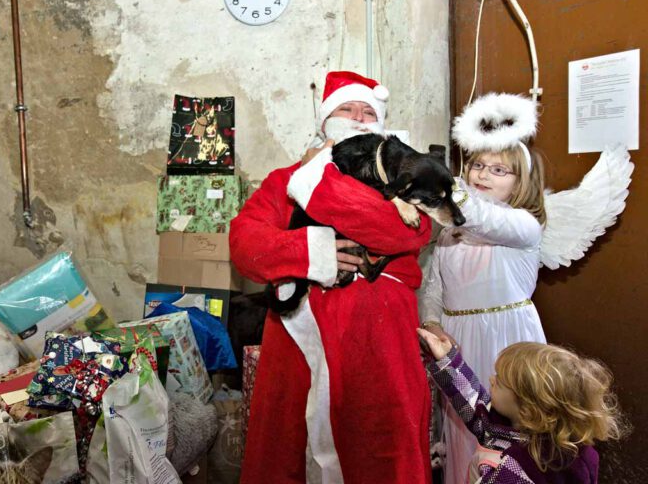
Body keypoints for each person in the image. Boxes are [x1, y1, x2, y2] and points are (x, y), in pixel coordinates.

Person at [230, 71, 434, 483]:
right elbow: (245, 244)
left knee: (378, 448)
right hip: (296, 341)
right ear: (324, 123)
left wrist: (316, 181)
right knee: (289, 449)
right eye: (347, 109)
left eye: (368, 112)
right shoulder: (282, 179)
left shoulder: (403, 183)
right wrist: (308, 251)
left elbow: (403, 232)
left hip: (378, 344)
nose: (359, 118)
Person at [418, 92, 548, 483]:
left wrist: (439, 186)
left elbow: (484, 219)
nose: (482, 176)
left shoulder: (525, 225)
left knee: (510, 428)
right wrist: (433, 321)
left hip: (509, 339)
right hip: (458, 341)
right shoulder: (451, 232)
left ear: (520, 182)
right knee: (462, 426)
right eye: (477, 165)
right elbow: (434, 285)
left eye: (498, 170)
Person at [417, 328, 626, 483]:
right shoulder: (518, 429)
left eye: (499, 382)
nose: (490, 380)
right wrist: (446, 359)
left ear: (527, 411)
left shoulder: (513, 470)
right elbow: (475, 403)